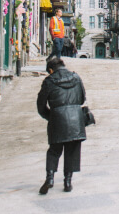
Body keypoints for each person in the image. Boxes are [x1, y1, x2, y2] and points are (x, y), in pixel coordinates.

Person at [36, 57, 86, 194]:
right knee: (72, 151)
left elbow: (40, 106)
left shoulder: (49, 81)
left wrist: (51, 116)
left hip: (57, 119)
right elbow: (82, 98)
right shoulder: (76, 77)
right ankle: (68, 181)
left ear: (51, 70)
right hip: (76, 120)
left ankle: (50, 178)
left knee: (54, 150)